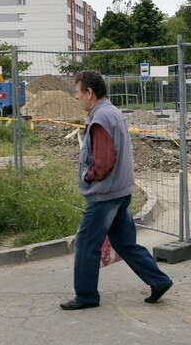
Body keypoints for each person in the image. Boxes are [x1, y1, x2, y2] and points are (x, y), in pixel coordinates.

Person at [60, 70, 173, 310]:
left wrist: (88, 175)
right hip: (121, 192)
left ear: (89, 93)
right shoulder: (113, 112)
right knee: (124, 243)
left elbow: (103, 162)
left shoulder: (101, 118)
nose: (76, 98)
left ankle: (86, 296)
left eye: (78, 93)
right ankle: (159, 280)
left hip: (105, 195)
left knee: (85, 243)